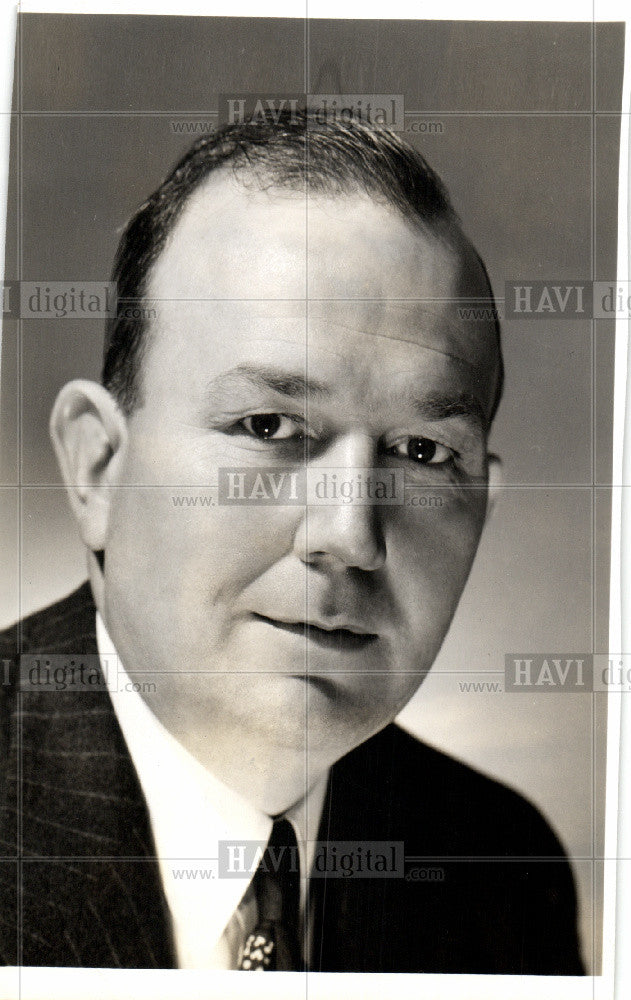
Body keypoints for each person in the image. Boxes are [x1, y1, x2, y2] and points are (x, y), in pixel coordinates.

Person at [0, 110, 584, 973]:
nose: (349, 536)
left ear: (482, 508)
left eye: (423, 453)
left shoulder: (500, 868)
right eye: (269, 426)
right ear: (98, 467)